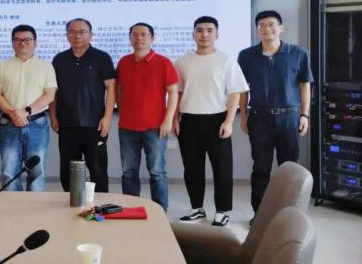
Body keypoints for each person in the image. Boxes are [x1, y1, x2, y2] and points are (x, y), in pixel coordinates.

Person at [238, 10, 313, 222]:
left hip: (289, 118)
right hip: (259, 118)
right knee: (260, 168)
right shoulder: (246, 55)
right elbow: (242, 88)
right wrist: (243, 115)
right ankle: (259, 215)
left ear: (281, 28)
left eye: (271, 24)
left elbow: (304, 85)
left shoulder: (298, 53)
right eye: (261, 25)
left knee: (289, 170)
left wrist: (305, 115)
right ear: (257, 30)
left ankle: (287, 215)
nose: (267, 29)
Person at [173, 16, 248, 226]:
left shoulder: (226, 60)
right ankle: (197, 208)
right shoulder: (183, 61)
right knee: (192, 169)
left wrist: (229, 121)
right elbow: (177, 92)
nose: (204, 34)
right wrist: (175, 118)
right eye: (199, 30)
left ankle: (222, 211)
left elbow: (235, 92)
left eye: (209, 30)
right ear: (193, 34)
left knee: (222, 169)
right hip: (189, 120)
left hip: (217, 120)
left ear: (217, 34)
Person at [115, 22, 178, 211]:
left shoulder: (163, 62)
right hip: (127, 127)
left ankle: (160, 210)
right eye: (135, 34)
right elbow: (119, 90)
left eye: (144, 34)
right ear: (130, 38)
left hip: (155, 127)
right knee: (128, 172)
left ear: (152, 38)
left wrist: (168, 120)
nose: (139, 38)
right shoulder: (123, 62)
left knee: (157, 172)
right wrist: (122, 109)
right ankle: (131, 209)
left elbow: (173, 92)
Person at [50, 18, 115, 193]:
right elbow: (53, 91)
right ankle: (73, 203)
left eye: (82, 32)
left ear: (91, 35)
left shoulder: (102, 58)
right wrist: (53, 116)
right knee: (68, 172)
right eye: (72, 32)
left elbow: (111, 88)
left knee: (98, 170)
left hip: (95, 124)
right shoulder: (59, 59)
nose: (77, 36)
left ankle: (99, 204)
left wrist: (107, 117)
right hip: (67, 124)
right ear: (67, 35)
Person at [0, 24, 57, 191]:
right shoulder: (2, 66)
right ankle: (12, 205)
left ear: (35, 42)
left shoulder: (46, 67)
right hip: (9, 123)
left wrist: (26, 111)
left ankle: (33, 206)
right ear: (12, 43)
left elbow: (49, 95)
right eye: (18, 40)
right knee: (9, 171)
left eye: (27, 40)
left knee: (37, 170)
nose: (22, 43)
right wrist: (14, 114)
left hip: (37, 123)